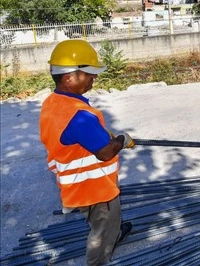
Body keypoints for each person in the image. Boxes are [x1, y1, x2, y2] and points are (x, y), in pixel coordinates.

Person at [39, 40, 134, 265]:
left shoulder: (53, 104)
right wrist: (121, 140)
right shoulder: (79, 116)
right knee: (102, 229)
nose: (94, 78)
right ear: (68, 78)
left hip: (76, 186)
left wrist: (100, 134)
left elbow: (73, 138)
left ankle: (113, 234)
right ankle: (99, 257)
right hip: (96, 188)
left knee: (98, 222)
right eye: (89, 73)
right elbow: (104, 153)